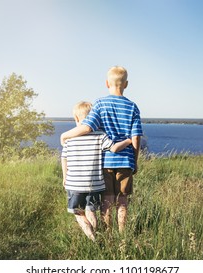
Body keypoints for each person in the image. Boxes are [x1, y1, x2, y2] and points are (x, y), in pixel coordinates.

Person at [61, 66, 143, 233]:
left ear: (107, 83)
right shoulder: (133, 107)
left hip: (105, 161)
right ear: (126, 84)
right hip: (126, 162)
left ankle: (108, 233)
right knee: (122, 200)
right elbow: (136, 138)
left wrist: (65, 135)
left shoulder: (99, 104)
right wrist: (134, 161)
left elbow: (86, 128)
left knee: (107, 200)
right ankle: (122, 234)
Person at [61, 101, 132, 241]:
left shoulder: (70, 138)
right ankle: (99, 235)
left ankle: (93, 239)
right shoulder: (100, 135)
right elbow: (114, 148)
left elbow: (64, 159)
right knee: (90, 210)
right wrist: (128, 141)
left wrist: (65, 177)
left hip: (74, 183)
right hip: (95, 184)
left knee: (78, 212)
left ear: (76, 118)